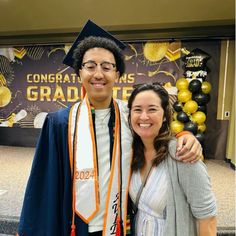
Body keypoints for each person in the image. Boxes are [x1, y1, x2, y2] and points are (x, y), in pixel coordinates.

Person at [17, 20, 202, 236]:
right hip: (76, 225)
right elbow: (43, 183)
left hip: (120, 222)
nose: (98, 74)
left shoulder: (129, 116)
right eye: (90, 66)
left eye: (107, 67)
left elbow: (158, 135)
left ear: (117, 75)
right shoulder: (60, 123)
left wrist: (185, 135)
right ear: (79, 73)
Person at [128, 83, 217, 236]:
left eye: (152, 109)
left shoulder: (182, 154)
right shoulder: (132, 153)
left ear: (164, 116)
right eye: (137, 109)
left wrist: (186, 136)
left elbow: (207, 218)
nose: (143, 116)